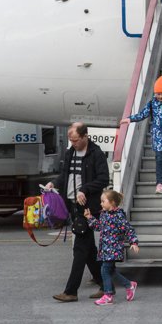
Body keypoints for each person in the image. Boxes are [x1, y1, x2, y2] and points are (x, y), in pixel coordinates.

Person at [48, 122, 110, 303]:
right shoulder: (70, 153)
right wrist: (54, 183)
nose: (73, 143)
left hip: (87, 208)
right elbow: (64, 175)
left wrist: (85, 189)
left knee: (80, 249)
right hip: (72, 206)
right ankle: (105, 284)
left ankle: (71, 291)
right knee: (89, 249)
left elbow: (103, 179)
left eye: (75, 140)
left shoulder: (96, 154)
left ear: (85, 137)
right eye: (70, 140)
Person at [120, 76, 162, 193]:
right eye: (158, 94)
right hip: (158, 136)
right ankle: (159, 183)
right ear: (155, 93)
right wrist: (130, 119)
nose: (160, 96)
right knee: (159, 159)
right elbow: (142, 114)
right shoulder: (152, 104)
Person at [84, 190, 139, 306]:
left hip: (114, 249)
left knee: (104, 270)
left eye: (103, 201)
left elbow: (128, 229)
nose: (101, 204)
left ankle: (108, 295)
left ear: (112, 203)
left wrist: (133, 242)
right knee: (111, 270)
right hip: (105, 249)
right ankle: (129, 285)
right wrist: (90, 218)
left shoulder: (119, 216)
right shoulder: (104, 214)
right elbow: (99, 227)